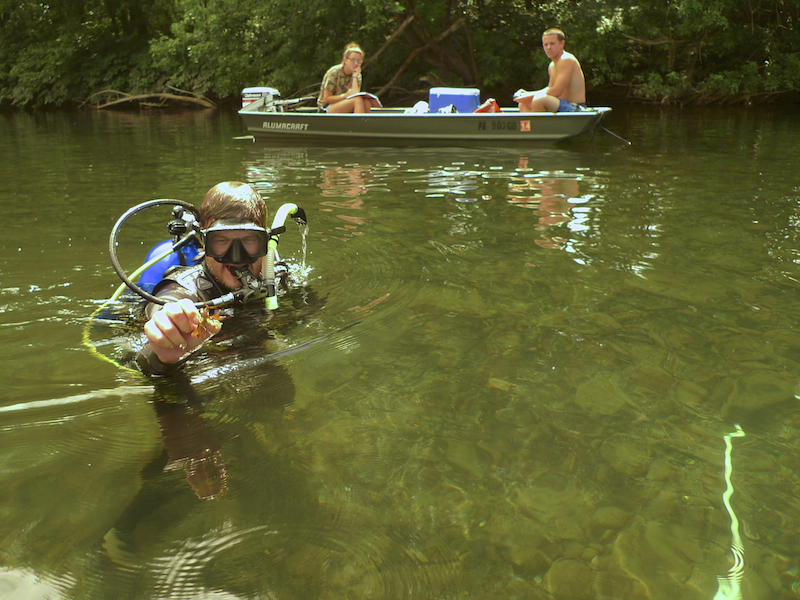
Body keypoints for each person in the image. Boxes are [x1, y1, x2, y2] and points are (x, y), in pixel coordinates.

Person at [136, 181, 271, 376]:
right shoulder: (187, 289)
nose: (236, 256)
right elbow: (169, 300)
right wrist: (165, 339)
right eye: (221, 241)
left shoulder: (276, 277)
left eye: (249, 240)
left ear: (265, 241)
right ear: (205, 243)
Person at [514, 28, 586, 113]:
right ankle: (535, 126)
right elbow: (550, 89)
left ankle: (540, 126)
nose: (549, 47)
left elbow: (556, 91)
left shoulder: (566, 59)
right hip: (560, 105)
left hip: (576, 108)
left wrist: (530, 95)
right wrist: (527, 94)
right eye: (546, 44)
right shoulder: (552, 65)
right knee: (523, 103)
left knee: (539, 100)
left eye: (552, 44)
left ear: (562, 43)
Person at [318, 42, 381, 114]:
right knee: (357, 100)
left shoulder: (357, 75)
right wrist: (344, 96)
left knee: (365, 101)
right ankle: (360, 124)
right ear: (345, 60)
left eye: (359, 61)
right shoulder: (334, 72)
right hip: (326, 108)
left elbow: (355, 95)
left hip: (345, 104)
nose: (356, 64)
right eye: (353, 60)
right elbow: (326, 99)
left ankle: (365, 124)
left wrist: (354, 77)